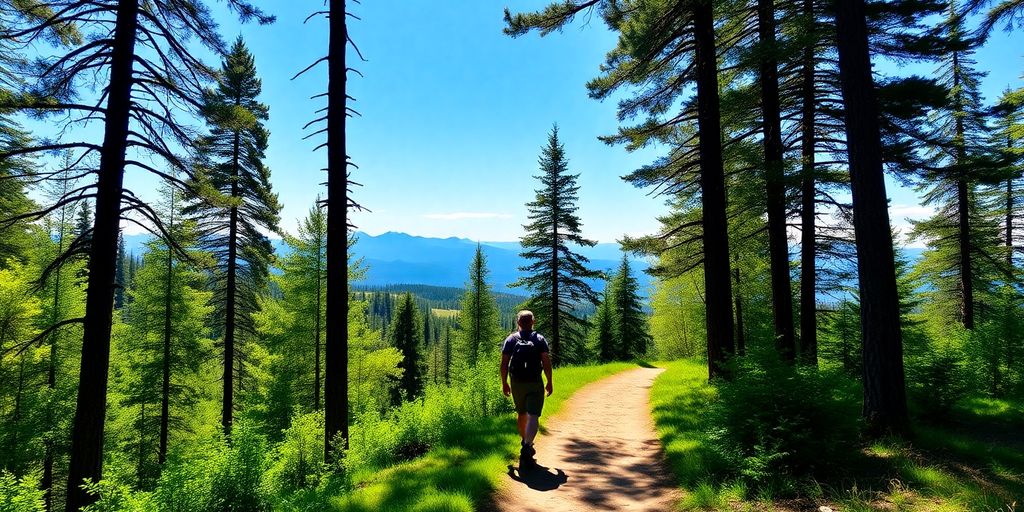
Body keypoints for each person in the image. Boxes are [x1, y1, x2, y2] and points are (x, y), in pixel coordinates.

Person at [500, 310, 553, 469]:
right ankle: (527, 446)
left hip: (516, 382)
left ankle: (525, 442)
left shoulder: (511, 340)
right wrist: (549, 381)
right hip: (534, 381)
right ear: (533, 322)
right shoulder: (539, 339)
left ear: (518, 323)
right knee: (533, 415)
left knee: (522, 413)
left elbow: (504, 364)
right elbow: (546, 363)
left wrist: (504, 382)